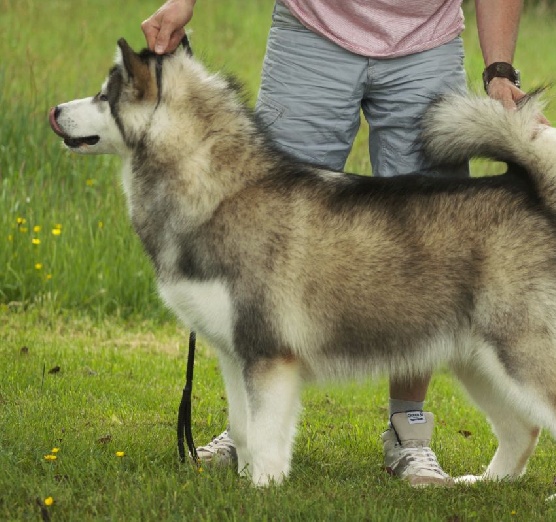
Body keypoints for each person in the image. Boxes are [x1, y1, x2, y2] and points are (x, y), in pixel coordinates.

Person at [142, 0, 530, 487]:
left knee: (431, 253)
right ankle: (247, 431)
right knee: (263, 238)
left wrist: (498, 70)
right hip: (311, 32)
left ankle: (409, 432)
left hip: (425, 44)